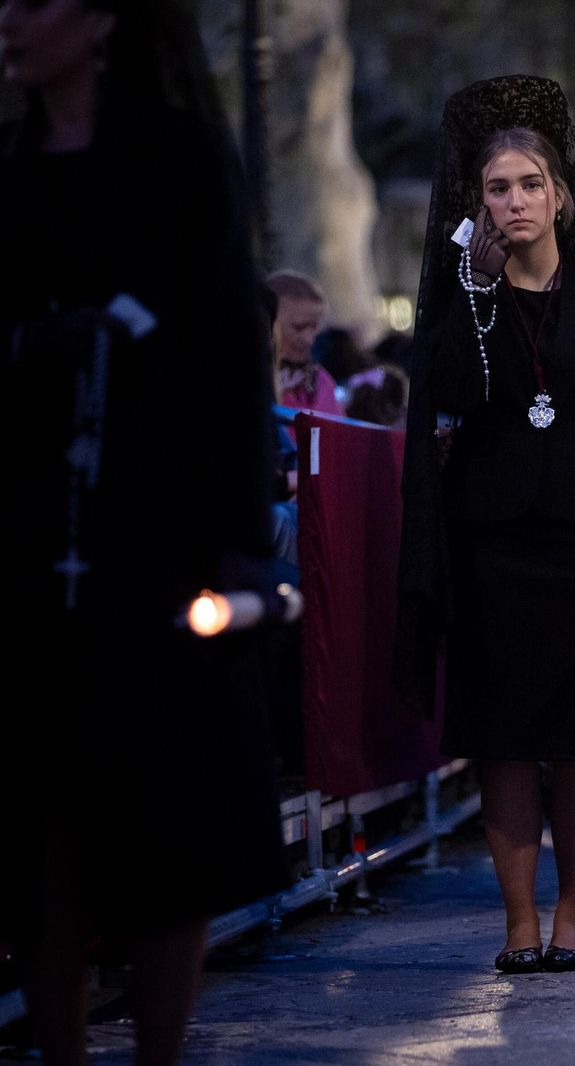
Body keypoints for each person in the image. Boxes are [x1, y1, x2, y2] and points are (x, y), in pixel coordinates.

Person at [0, 2, 288, 1062]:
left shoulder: (175, 159)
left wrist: (236, 543)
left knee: (162, 814)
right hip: (30, 535)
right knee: (42, 818)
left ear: (104, 18)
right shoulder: (10, 163)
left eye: (37, 1)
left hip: (152, 532)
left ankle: (160, 1051)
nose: (11, 22)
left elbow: (222, 352)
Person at [395, 76, 575, 974]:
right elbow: (459, 397)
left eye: (527, 185)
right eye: (495, 190)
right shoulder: (462, 298)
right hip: (494, 543)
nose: (513, 202)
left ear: (559, 193)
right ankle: (519, 924)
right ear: (476, 203)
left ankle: (572, 920)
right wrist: (475, 294)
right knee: (504, 739)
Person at [265, 270, 343, 416]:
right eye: (298, 327)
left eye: (314, 327)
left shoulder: (322, 383)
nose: (310, 339)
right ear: (269, 323)